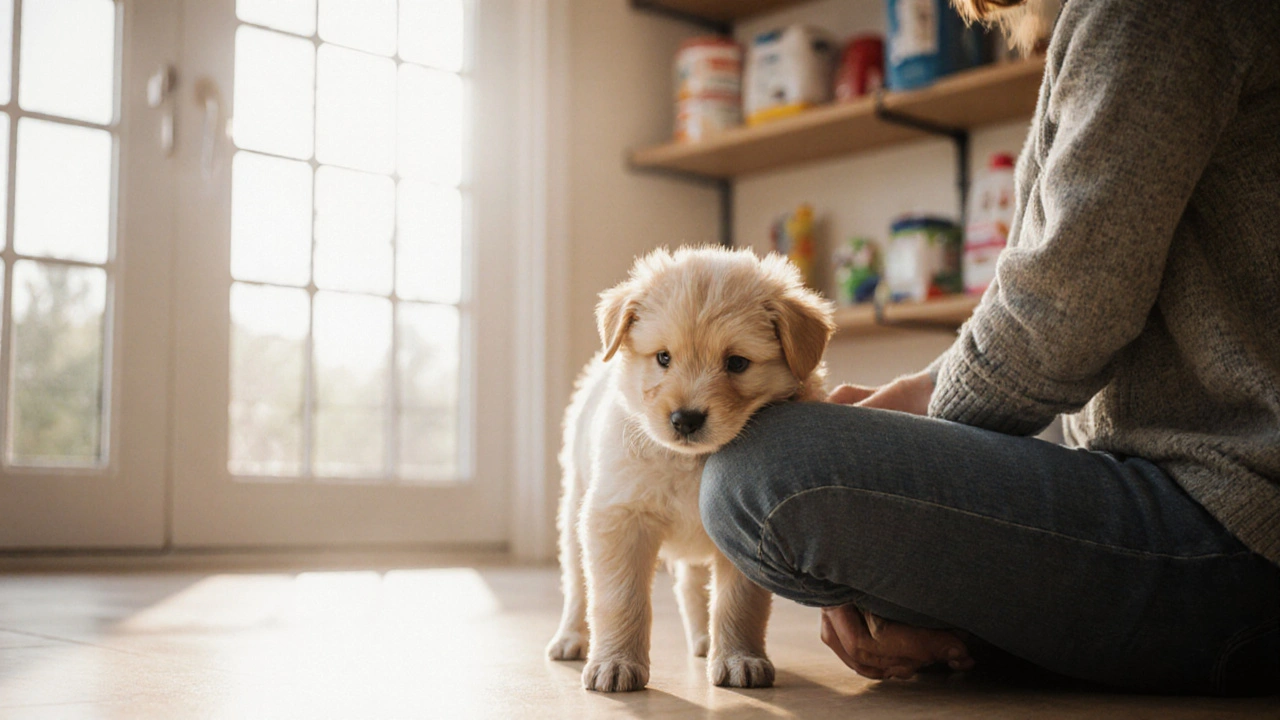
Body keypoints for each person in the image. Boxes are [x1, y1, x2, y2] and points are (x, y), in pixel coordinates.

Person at [700, 0, 1280, 696]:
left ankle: (993, 643)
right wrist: (911, 406)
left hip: (1237, 535)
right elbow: (1058, 304)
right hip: (1198, 508)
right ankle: (986, 645)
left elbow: (1065, 311)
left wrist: (871, 481)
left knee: (761, 473)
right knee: (798, 468)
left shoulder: (1144, 12)